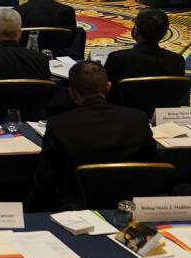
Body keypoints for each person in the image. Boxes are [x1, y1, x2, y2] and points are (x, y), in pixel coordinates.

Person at [30, 60, 156, 210]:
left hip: (76, 207)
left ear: (71, 93)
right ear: (108, 87)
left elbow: (47, 179)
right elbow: (151, 166)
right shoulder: (137, 119)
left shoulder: (59, 125)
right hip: (128, 204)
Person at [104, 7, 186, 95]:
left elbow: (105, 91)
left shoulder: (117, 58)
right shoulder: (177, 61)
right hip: (162, 108)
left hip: (123, 108)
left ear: (135, 30)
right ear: (165, 34)